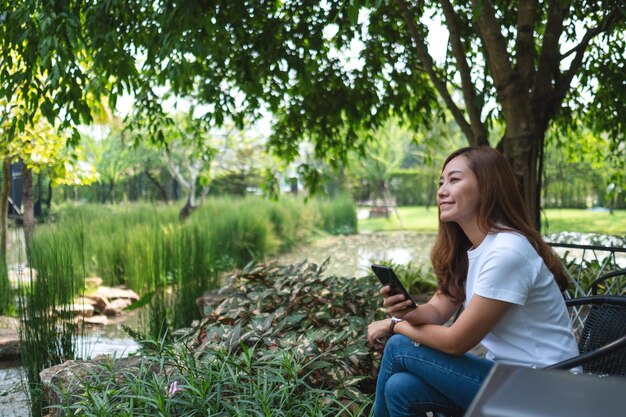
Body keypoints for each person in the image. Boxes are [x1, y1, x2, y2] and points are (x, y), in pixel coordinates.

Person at [367, 146, 579, 417]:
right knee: (401, 387)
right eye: (441, 182)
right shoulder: (471, 250)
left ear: (487, 187)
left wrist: (395, 326)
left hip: (548, 389)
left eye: (454, 180)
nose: (441, 191)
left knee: (399, 346)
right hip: (508, 377)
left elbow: (456, 341)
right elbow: (435, 311)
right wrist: (408, 311)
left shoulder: (507, 251)